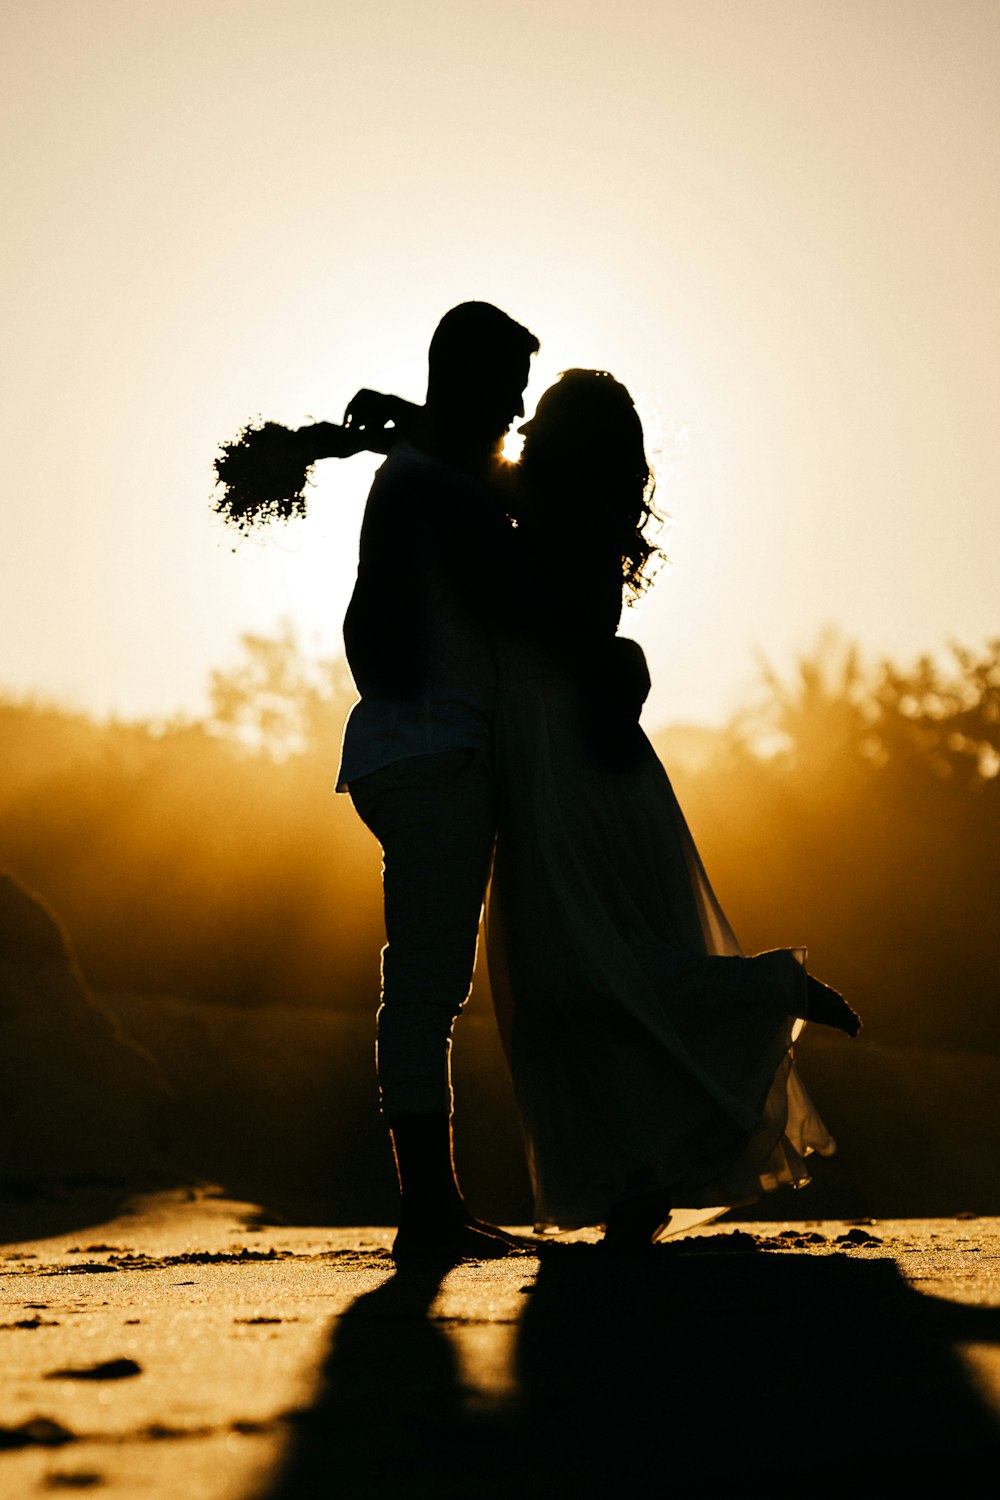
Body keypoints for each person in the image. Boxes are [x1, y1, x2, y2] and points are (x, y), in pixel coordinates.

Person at [486, 369, 860, 1250]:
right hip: (605, 762)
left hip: (562, 760)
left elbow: (468, 471)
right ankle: (632, 1180)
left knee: (573, 968)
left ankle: (771, 987)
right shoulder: (590, 513)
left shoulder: (543, 507)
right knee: (590, 970)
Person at [337, 301, 538, 1264]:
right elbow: (517, 552)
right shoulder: (428, 485)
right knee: (425, 988)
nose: (517, 413)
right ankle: (429, 1210)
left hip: (416, 753)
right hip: (431, 756)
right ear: (465, 385)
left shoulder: (420, 472)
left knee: (428, 984)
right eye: (508, 392)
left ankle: (435, 1205)